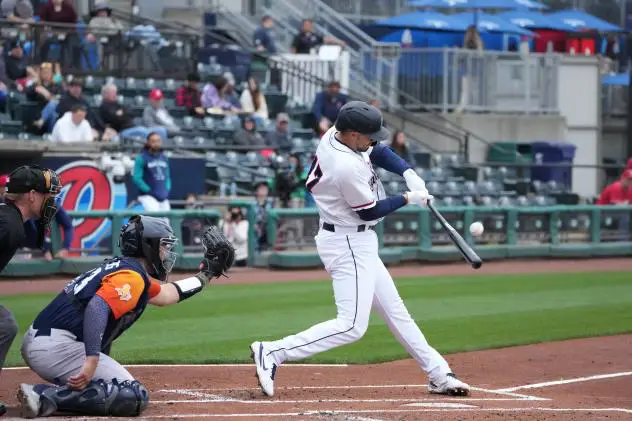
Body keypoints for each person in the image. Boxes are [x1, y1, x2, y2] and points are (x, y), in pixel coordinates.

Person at [249, 101, 470, 398]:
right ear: (352, 134)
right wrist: (407, 198)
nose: (374, 139)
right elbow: (369, 212)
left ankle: (438, 373)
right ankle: (273, 351)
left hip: (356, 240)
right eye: (368, 134)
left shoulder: (336, 136)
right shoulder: (344, 166)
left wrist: (407, 171)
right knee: (352, 325)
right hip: (347, 241)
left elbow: (376, 150)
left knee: (396, 313)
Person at [16, 216, 235, 418]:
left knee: (122, 386)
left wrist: (207, 273)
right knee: (133, 396)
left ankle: (49, 394)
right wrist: (92, 360)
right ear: (148, 246)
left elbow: (170, 294)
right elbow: (97, 307)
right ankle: (43, 395)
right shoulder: (131, 278)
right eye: (164, 246)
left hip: (48, 341)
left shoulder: (126, 271)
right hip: (55, 347)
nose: (167, 253)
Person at [0, 165, 62, 416]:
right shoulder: (9, 225)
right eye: (49, 195)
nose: (52, 202)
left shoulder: (10, 219)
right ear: (32, 196)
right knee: (4, 325)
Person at [100, 84, 167, 141]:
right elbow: (115, 118)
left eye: (115, 92)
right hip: (121, 132)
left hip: (132, 129)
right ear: (106, 94)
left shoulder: (117, 104)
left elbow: (131, 113)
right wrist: (123, 113)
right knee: (143, 131)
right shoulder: (104, 106)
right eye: (113, 92)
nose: (115, 94)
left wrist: (122, 113)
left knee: (161, 130)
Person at [132, 131, 171, 212]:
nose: (156, 143)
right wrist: (149, 191)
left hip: (163, 196)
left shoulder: (164, 157)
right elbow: (137, 178)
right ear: (148, 142)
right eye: (153, 141)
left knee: (167, 221)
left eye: (158, 141)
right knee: (154, 218)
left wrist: (167, 190)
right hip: (147, 196)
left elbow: (167, 176)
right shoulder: (141, 157)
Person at [26, 62, 62, 134]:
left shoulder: (56, 86)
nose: (46, 75)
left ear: (52, 74)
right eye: (44, 72)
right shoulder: (36, 85)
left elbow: (61, 97)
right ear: (40, 73)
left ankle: (42, 120)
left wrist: (48, 95)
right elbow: (28, 93)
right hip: (38, 112)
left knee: (53, 107)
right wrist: (36, 89)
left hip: (54, 113)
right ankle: (43, 122)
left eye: (48, 72)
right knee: (53, 111)